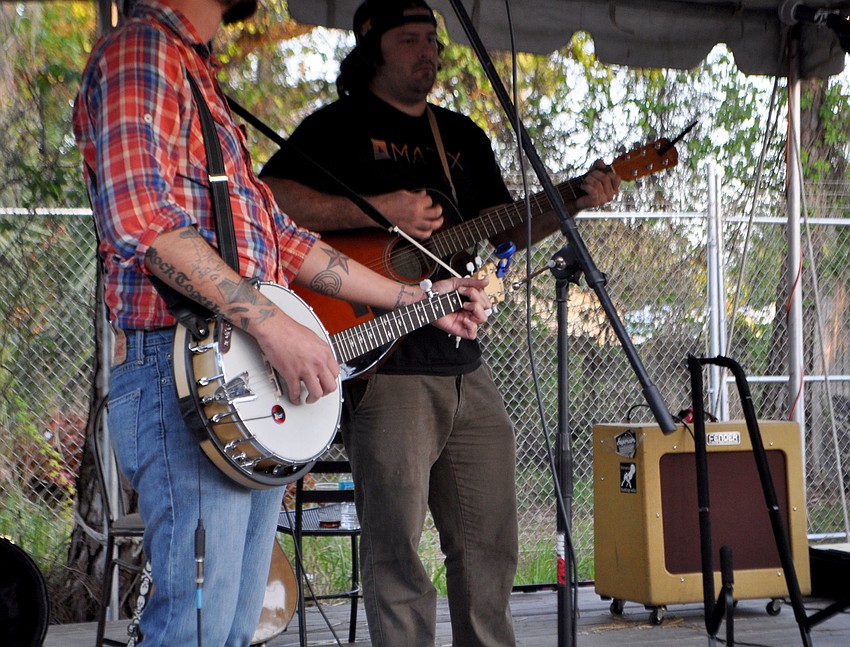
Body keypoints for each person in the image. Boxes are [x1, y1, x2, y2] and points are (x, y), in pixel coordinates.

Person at [72, 1, 491, 645]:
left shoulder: (197, 72)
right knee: (197, 628)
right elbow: (142, 221)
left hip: (237, 371)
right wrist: (273, 324)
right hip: (179, 371)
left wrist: (415, 296)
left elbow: (287, 241)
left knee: (234, 627)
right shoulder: (141, 50)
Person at [259, 1, 621, 645]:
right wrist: (376, 208)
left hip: (461, 359)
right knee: (396, 546)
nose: (428, 51)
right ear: (373, 49)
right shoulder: (337, 127)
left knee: (490, 542)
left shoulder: (459, 136)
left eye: (433, 39)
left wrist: (572, 199)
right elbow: (271, 200)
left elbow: (503, 224)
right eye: (409, 39)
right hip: (381, 363)